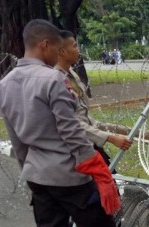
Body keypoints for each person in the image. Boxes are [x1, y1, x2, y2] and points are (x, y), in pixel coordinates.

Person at [0, 19, 144, 227]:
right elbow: (72, 132)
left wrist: (31, 168)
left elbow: (17, 140)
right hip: (70, 175)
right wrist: (96, 171)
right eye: (56, 48)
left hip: (38, 176)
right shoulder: (51, 81)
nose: (60, 53)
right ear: (45, 45)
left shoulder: (3, 86)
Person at [55, 30, 132, 166]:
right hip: (75, 150)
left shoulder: (72, 74)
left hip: (89, 143)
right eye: (74, 46)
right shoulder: (56, 80)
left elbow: (83, 114)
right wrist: (110, 137)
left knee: (109, 182)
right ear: (61, 51)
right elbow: (72, 122)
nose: (78, 50)